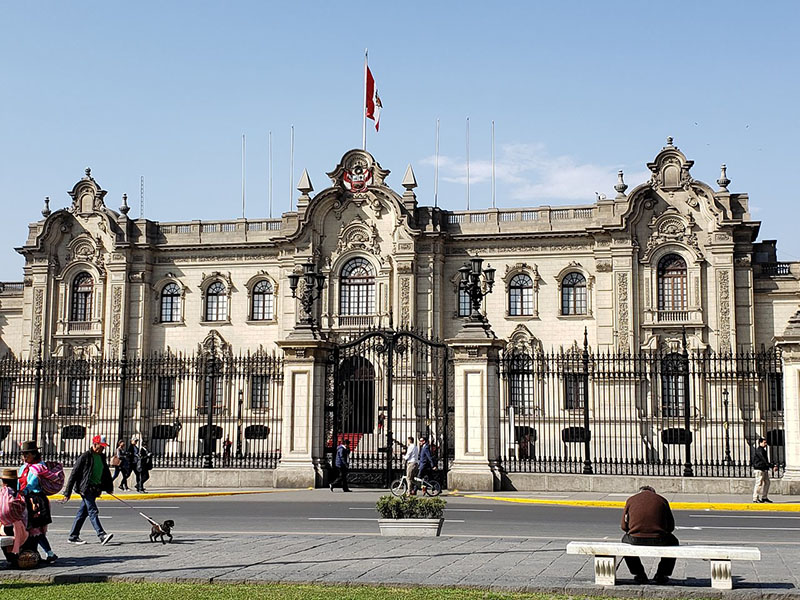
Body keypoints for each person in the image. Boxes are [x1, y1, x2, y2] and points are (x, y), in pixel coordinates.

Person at [620, 485, 678, 585]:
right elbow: (671, 527)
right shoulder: (662, 500)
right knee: (674, 541)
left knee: (624, 542)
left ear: (640, 492)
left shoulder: (631, 500)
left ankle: (639, 574)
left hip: (635, 539)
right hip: (659, 539)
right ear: (653, 492)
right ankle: (662, 574)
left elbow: (624, 526)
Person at [62, 435, 114, 546]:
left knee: (83, 512)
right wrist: (67, 492)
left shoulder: (101, 457)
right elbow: (74, 474)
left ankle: (73, 536)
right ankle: (101, 534)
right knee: (92, 510)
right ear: (95, 444)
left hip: (95, 488)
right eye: (101, 446)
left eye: (104, 447)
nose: (103, 449)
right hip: (85, 488)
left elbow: (106, 473)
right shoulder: (85, 456)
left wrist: (109, 488)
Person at [18, 440, 56, 563]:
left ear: (34, 454)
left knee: (36, 529)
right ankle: (33, 552)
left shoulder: (39, 467)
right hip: (25, 499)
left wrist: (24, 491)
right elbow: (19, 482)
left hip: (36, 500)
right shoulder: (23, 467)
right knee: (28, 529)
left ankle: (49, 553)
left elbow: (32, 483)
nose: (24, 457)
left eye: (27, 454)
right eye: (23, 454)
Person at [1, 467, 39, 568]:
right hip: (15, 527)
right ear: (14, 482)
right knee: (28, 535)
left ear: (3, 482)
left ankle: (11, 558)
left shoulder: (2, 493)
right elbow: (24, 512)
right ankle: (17, 558)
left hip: (4, 526)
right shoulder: (16, 495)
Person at [752, 437, 776, 503]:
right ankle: (755, 498)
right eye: (764, 442)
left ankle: (764, 497)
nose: (765, 444)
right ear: (760, 443)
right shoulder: (760, 450)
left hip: (763, 469)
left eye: (766, 442)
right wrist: (772, 466)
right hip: (759, 469)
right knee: (759, 483)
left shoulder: (762, 450)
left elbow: (765, 461)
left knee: (767, 482)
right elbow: (764, 460)